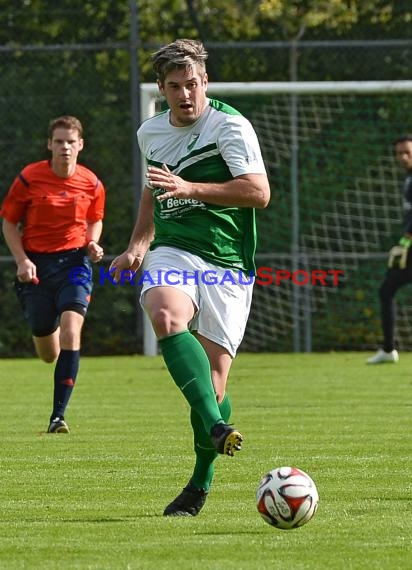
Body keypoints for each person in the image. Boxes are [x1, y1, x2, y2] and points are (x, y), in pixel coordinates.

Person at [110, 38, 270, 516]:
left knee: (215, 386)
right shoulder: (151, 132)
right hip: (175, 249)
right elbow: (152, 189)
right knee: (164, 312)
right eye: (176, 86)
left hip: (227, 261)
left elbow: (258, 193)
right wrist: (139, 243)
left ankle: (199, 483)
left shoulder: (231, 127)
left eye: (194, 84)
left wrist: (191, 186)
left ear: (206, 83)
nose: (186, 95)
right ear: (161, 88)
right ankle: (218, 428)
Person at [0, 115, 105, 431]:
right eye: (59, 141)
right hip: (36, 267)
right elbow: (8, 223)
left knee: (73, 330)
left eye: (71, 141)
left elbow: (94, 218)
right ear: (49, 144)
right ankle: (51, 331)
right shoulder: (29, 179)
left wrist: (92, 243)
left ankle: (58, 416)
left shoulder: (92, 183)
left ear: (81, 145)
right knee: (48, 352)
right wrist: (21, 260)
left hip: (74, 265)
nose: (65, 147)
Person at [367, 134, 412, 364]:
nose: (403, 157)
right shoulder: (408, 178)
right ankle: (387, 349)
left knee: (386, 290)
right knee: (386, 290)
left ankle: (387, 349)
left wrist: (406, 240)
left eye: (408, 152)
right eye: (399, 153)